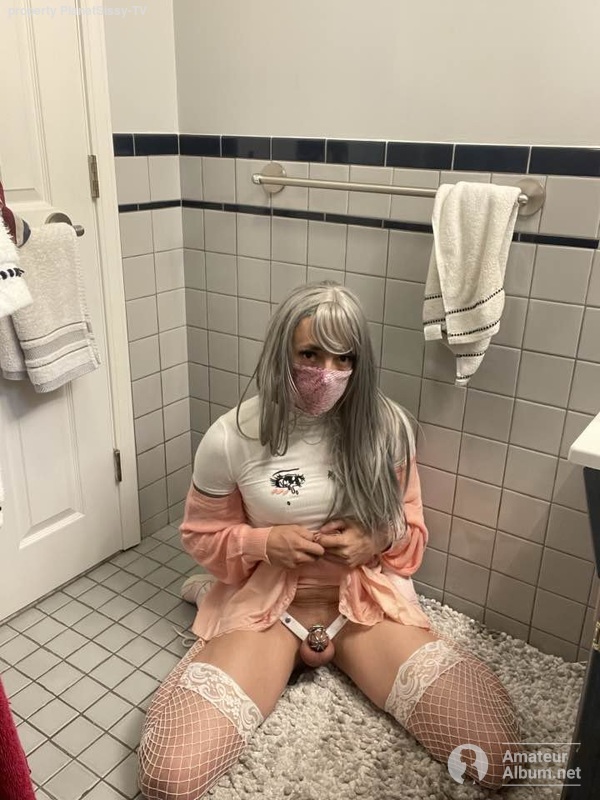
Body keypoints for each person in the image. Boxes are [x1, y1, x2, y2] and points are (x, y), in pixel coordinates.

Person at [138, 281, 521, 799]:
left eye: (345, 358)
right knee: (168, 776)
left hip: (364, 604)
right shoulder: (230, 437)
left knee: (499, 760)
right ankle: (218, 602)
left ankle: (231, 610)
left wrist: (376, 538)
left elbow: (412, 533)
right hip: (271, 608)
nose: (328, 372)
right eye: (310, 354)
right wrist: (263, 544)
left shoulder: (388, 428)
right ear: (282, 351)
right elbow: (202, 536)